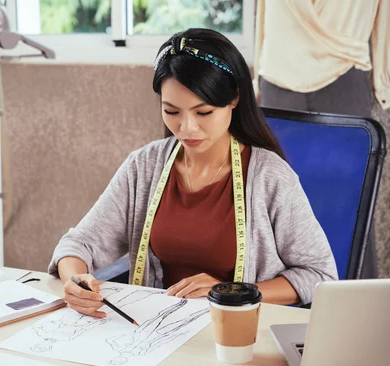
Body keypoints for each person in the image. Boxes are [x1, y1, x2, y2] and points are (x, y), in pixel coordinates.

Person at [48, 28, 338, 319]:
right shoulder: (144, 167)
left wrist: (233, 292)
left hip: (239, 334)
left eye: (203, 112)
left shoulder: (270, 177)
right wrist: (75, 280)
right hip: (158, 331)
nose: (186, 128)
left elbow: (319, 275)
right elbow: (79, 243)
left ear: (234, 99)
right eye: (171, 111)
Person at [253, 0, 389, 279]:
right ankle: (274, 306)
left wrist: (383, 81)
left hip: (343, 75)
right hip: (280, 72)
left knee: (351, 204)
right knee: (274, 201)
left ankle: (355, 310)